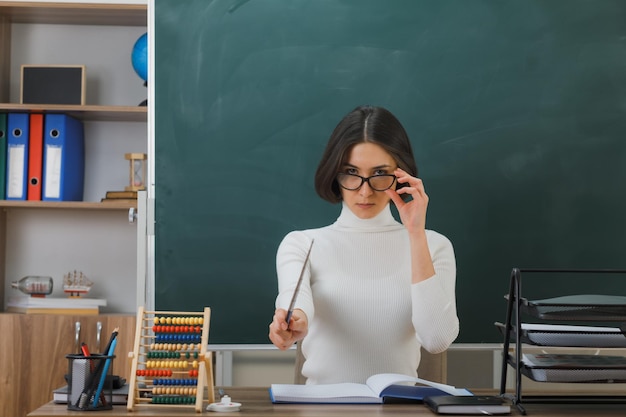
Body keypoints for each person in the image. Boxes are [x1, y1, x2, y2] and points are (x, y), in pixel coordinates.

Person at [268, 105, 459, 385]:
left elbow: (436, 340)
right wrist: (291, 323)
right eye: (351, 172)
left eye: (380, 172)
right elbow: (295, 304)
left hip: (398, 409)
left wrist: (415, 232)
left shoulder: (434, 245)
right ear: (335, 173)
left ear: (401, 175)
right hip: (320, 409)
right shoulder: (302, 243)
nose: (365, 190)